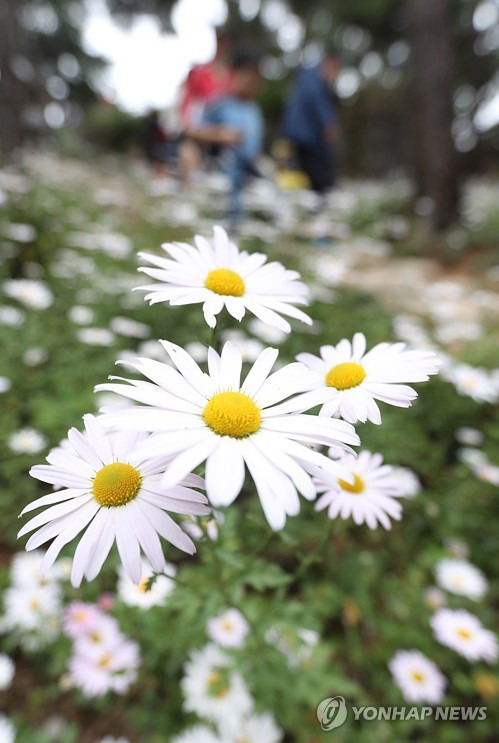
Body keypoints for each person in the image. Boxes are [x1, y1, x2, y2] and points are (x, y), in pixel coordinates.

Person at [186, 51, 264, 230]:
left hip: (248, 181)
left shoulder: (255, 110)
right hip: (221, 178)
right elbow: (193, 131)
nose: (252, 80)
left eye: (256, 75)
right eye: (247, 73)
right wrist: (221, 134)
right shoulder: (221, 102)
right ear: (235, 74)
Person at [178, 30, 234, 185]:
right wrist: (191, 129)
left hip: (224, 139)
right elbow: (188, 105)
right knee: (188, 154)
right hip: (200, 134)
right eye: (220, 41)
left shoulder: (233, 78)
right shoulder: (200, 73)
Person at [281, 50, 341, 195]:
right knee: (322, 181)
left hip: (300, 136)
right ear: (329, 63)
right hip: (307, 140)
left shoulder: (306, 76)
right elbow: (317, 103)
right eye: (336, 69)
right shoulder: (315, 79)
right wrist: (328, 125)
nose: (335, 75)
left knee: (310, 180)